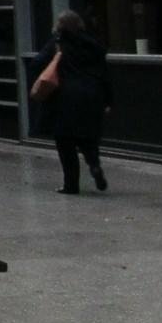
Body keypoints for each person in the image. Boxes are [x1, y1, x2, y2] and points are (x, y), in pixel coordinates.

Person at [35, 10, 111, 194]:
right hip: (92, 96)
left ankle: (71, 184)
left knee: (65, 142)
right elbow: (105, 75)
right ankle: (94, 165)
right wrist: (108, 100)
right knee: (88, 137)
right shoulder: (94, 45)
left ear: (59, 26)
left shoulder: (58, 44)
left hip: (65, 98)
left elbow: (38, 62)